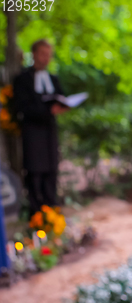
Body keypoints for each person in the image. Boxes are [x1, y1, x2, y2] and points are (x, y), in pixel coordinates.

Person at [13, 39, 69, 217]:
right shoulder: (23, 79)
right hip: (32, 132)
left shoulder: (53, 79)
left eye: (49, 54)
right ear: (35, 54)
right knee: (35, 172)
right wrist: (47, 111)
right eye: (43, 53)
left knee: (51, 170)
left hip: (49, 132)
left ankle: (52, 214)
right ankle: (36, 216)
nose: (46, 58)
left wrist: (62, 107)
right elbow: (21, 106)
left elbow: (62, 99)